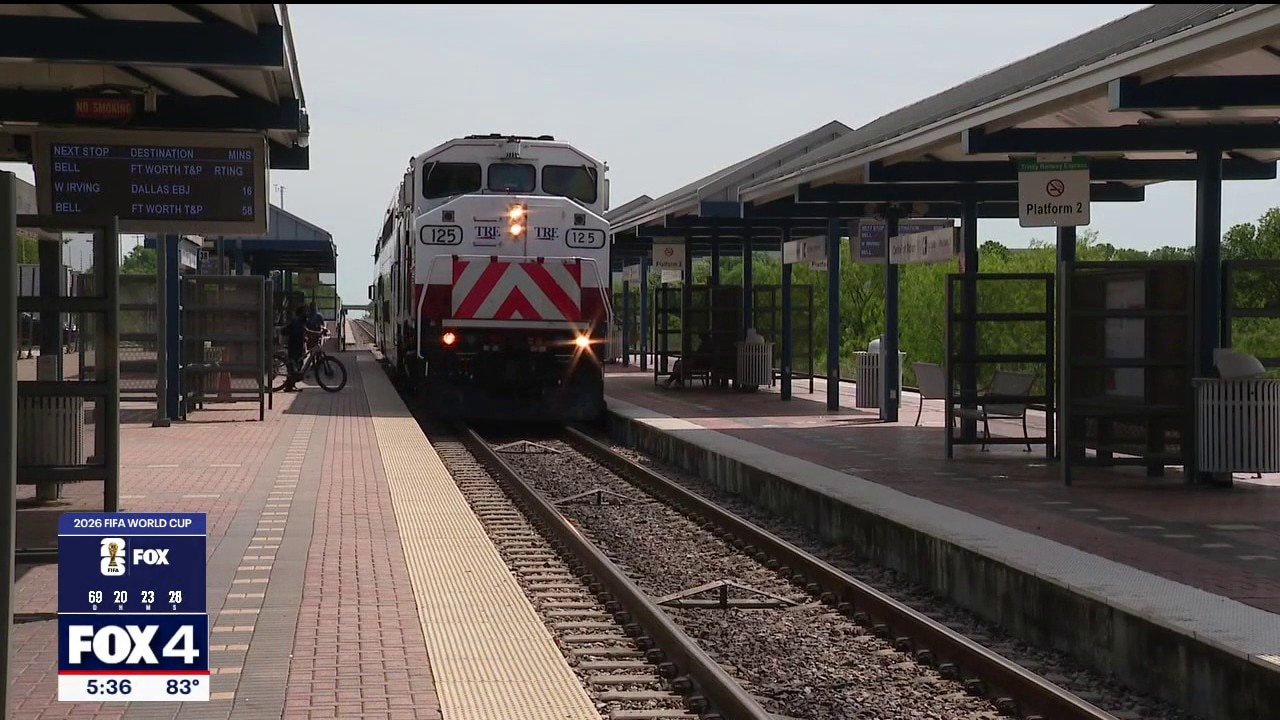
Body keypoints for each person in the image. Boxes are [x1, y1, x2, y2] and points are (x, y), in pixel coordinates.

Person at [281, 306, 309, 392]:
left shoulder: (300, 321)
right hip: (295, 347)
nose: (307, 313)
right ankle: (289, 386)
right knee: (294, 366)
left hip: (297, 346)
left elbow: (304, 331)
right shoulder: (297, 321)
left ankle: (290, 385)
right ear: (301, 313)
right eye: (305, 311)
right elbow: (303, 331)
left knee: (297, 366)